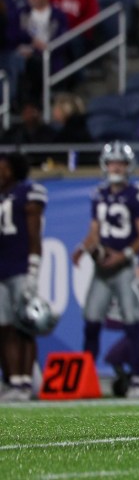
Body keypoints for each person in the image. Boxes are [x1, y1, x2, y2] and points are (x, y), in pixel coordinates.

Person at [72, 141, 139, 399]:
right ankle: (87, 376)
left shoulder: (136, 194)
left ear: (129, 166)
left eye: (120, 163)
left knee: (132, 321)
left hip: (126, 266)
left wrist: (124, 254)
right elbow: (95, 231)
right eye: (112, 163)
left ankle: (138, 378)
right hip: (103, 268)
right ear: (104, 165)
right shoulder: (99, 194)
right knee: (91, 320)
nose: (116, 167)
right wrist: (83, 248)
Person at [0, 152, 46, 401]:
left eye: (4, 168)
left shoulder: (27, 192)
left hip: (20, 268)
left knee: (24, 327)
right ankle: (13, 381)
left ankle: (26, 382)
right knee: (4, 328)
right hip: (1, 269)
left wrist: (33, 269)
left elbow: (34, 235)